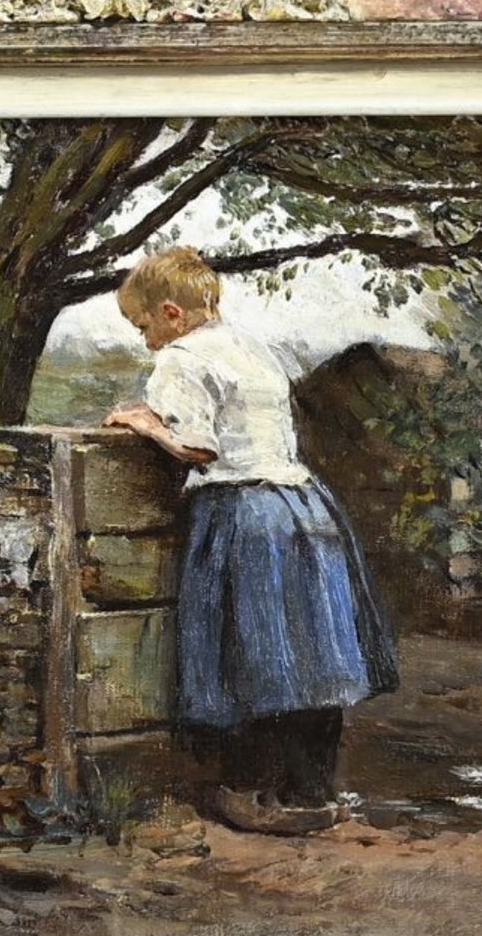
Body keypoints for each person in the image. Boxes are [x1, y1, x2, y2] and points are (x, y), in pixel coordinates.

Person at [104, 248, 398, 834]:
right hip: (304, 508)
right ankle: (310, 793)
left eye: (144, 329)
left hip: (242, 513)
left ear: (171, 313)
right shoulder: (253, 349)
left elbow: (199, 449)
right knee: (312, 654)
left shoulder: (182, 359)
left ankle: (247, 790)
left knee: (247, 653)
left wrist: (145, 423)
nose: (146, 343)